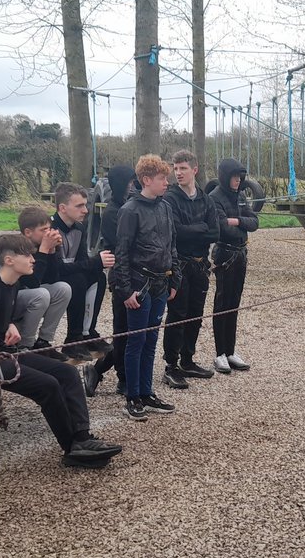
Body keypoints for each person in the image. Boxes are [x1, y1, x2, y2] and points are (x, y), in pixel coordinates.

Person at [0, 233, 122, 469]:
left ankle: (82, 438)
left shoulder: (10, 283)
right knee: (48, 385)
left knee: (66, 373)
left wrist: (9, 324)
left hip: (6, 352)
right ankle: (72, 449)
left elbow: (0, 316)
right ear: (8, 260)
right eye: (26, 255)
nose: (32, 259)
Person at [114, 154, 180, 421]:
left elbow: (172, 245)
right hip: (139, 284)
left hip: (161, 283)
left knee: (152, 339)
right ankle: (132, 395)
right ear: (147, 180)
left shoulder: (165, 207)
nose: (167, 182)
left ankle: (146, 391)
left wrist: (175, 277)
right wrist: (126, 290)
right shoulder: (129, 210)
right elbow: (122, 253)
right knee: (137, 340)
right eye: (163, 178)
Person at [160, 149, 220, 389]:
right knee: (177, 313)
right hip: (180, 264)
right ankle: (171, 365)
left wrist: (193, 229)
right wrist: (200, 228)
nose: (178, 173)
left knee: (196, 313)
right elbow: (176, 231)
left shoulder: (206, 199)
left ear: (194, 170)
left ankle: (187, 359)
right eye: (175, 169)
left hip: (200, 264)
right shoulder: (170, 198)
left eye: (183, 168)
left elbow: (215, 232)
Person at [0, 206, 71, 350]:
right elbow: (32, 283)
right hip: (4, 299)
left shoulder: (42, 245)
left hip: (23, 294)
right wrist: (43, 251)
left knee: (63, 288)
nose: (48, 233)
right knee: (41, 294)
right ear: (28, 232)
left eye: (49, 228)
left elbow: (53, 278)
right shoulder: (17, 249)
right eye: (43, 230)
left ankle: (44, 341)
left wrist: (52, 251)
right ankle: (25, 345)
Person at [83, 164, 136, 399]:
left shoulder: (128, 205)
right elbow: (124, 247)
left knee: (134, 331)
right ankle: (118, 376)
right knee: (123, 330)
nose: (132, 185)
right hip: (121, 274)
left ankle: (103, 370)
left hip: (135, 272)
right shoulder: (114, 212)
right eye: (129, 182)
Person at [51, 183, 114, 360]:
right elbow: (58, 268)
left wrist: (97, 264)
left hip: (69, 274)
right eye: (79, 206)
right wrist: (96, 261)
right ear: (62, 208)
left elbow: (82, 262)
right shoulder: (50, 229)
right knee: (79, 278)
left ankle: (87, 332)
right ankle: (73, 338)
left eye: (85, 205)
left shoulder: (79, 228)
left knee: (99, 277)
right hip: (50, 278)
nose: (85, 210)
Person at [207, 157, 258, 374]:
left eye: (240, 177)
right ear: (226, 176)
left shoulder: (241, 196)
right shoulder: (214, 197)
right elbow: (220, 228)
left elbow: (254, 222)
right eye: (235, 177)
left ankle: (230, 350)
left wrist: (236, 220)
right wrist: (239, 224)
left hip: (241, 254)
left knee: (234, 303)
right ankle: (219, 353)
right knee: (222, 303)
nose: (238, 181)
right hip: (225, 254)